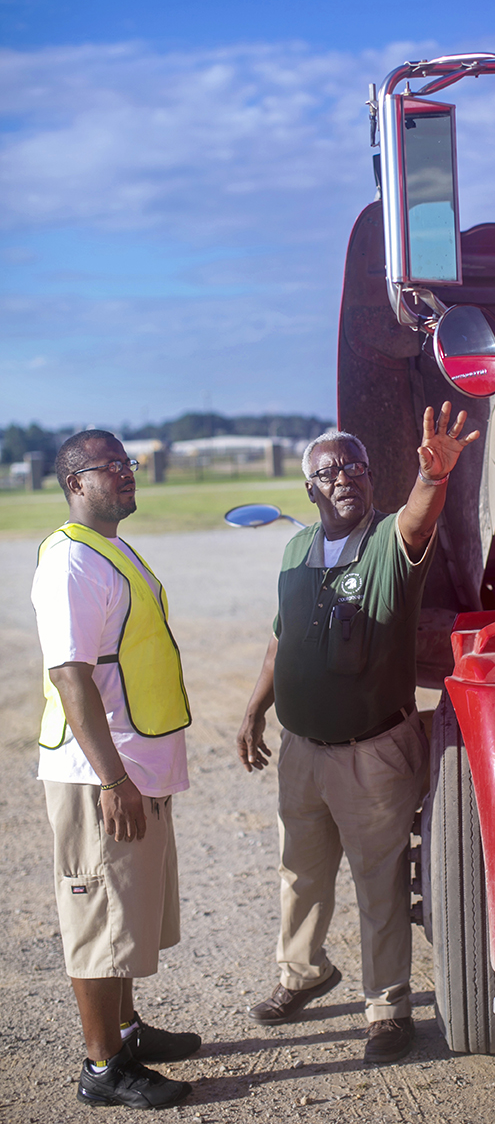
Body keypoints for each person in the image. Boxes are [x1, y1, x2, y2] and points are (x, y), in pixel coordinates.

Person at [237, 402, 479, 1064]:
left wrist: (433, 477)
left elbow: (417, 517)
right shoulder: (294, 550)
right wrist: (255, 709)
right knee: (300, 876)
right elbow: (280, 639)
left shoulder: (387, 544)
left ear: (370, 480)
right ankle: (302, 975)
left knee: (379, 884)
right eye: (327, 471)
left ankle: (387, 1010)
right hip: (302, 751)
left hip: (371, 752)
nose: (342, 476)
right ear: (310, 489)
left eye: (354, 467)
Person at [32, 430, 199, 1110]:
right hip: (103, 772)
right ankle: (102, 1067)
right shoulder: (70, 561)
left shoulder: (110, 550)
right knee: (98, 917)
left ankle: (126, 1030)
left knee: (127, 913)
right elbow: (69, 675)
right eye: (112, 467)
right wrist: (113, 779)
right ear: (77, 482)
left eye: (129, 464)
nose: (128, 475)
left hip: (136, 764)